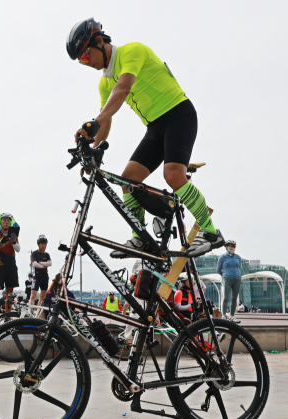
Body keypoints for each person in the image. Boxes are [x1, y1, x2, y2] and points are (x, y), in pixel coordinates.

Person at [68, 18, 224, 259]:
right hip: (155, 128)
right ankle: (141, 238)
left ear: (99, 42)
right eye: (81, 61)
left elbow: (123, 89)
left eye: (86, 56)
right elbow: (106, 120)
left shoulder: (132, 51)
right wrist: (93, 150)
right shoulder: (104, 82)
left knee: (172, 175)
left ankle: (211, 232)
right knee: (128, 180)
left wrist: (94, 122)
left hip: (178, 114)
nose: (86, 63)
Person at [216, 240, 242, 323]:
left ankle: (232, 316)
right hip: (227, 278)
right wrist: (225, 275)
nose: (232, 247)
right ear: (226, 247)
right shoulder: (222, 257)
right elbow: (218, 269)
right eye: (230, 246)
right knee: (226, 297)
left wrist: (237, 274)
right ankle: (223, 315)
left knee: (234, 298)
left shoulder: (238, 257)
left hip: (237, 279)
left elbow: (239, 268)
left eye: (234, 246)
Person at [30, 235, 52, 307]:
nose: (44, 246)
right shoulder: (34, 253)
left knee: (43, 296)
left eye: (45, 244)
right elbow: (34, 264)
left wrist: (41, 263)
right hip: (37, 276)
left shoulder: (47, 254)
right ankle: (31, 311)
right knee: (33, 295)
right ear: (38, 245)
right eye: (42, 244)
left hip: (45, 276)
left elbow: (50, 263)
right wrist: (44, 265)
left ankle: (39, 313)